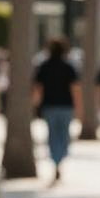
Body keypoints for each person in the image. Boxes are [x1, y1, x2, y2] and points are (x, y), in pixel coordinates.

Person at [31, 35, 81, 185]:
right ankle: (59, 160)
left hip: (50, 106)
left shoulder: (44, 66)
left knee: (52, 135)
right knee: (64, 135)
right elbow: (75, 89)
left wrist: (35, 105)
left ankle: (56, 160)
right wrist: (79, 108)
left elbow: (38, 89)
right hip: (66, 106)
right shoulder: (69, 67)